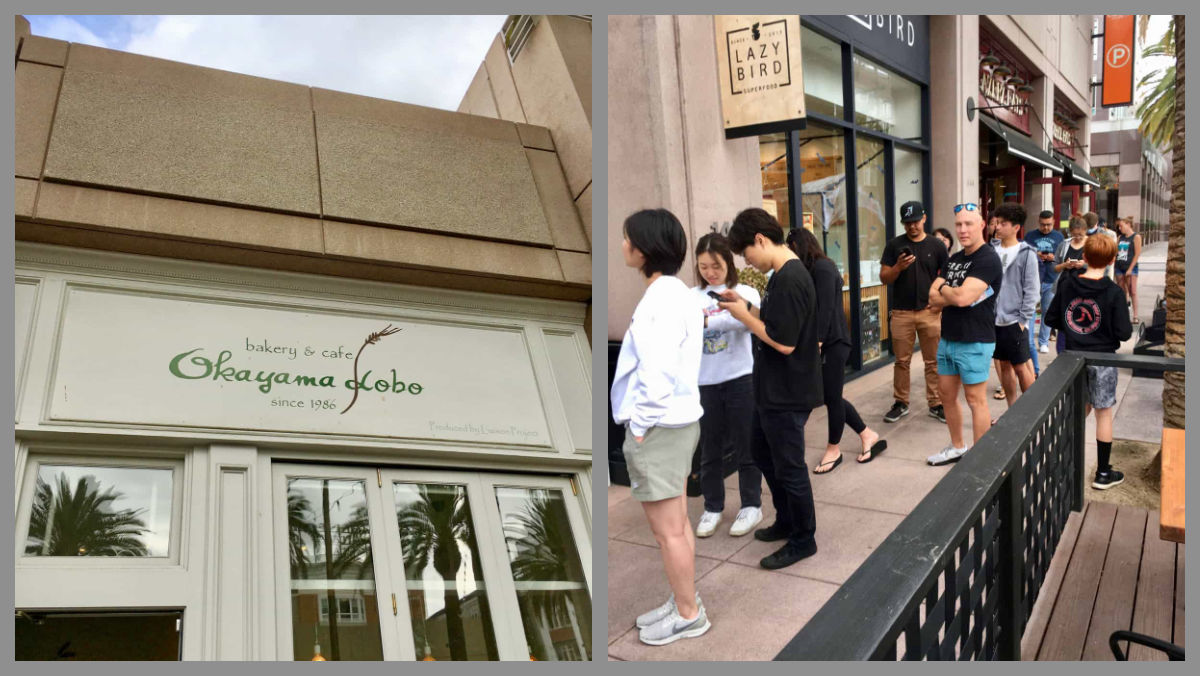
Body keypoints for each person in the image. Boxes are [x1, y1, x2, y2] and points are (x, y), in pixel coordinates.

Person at [611, 208, 709, 646]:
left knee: (668, 531)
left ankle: (689, 614)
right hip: (679, 423)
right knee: (679, 525)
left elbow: (656, 372)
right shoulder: (682, 295)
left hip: (659, 427)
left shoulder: (660, 300)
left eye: (627, 237)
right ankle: (685, 600)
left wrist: (639, 427)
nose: (623, 244)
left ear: (645, 247)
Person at [720, 208, 824, 570]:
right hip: (772, 390)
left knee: (790, 466)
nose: (748, 261)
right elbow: (776, 320)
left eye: (747, 253)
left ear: (761, 240)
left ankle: (803, 538)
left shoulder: (793, 277)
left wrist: (744, 318)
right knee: (763, 454)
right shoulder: (783, 275)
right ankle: (786, 520)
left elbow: (784, 342)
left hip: (788, 392)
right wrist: (746, 305)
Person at [786, 227, 886, 472]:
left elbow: (826, 309)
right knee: (832, 396)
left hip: (833, 343)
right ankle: (867, 434)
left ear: (801, 246)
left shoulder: (823, 268)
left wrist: (818, 343)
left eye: (792, 249)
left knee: (831, 398)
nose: (790, 254)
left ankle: (834, 449)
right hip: (823, 343)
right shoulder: (812, 269)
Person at [1044, 234, 1133, 490]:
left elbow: (1052, 319)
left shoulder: (1068, 285)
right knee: (1103, 413)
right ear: (1112, 259)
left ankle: (1061, 465)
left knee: (1076, 412)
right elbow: (1124, 333)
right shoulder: (1114, 292)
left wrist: (1074, 331)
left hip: (1073, 357)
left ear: (1084, 257)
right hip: (1103, 358)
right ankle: (1103, 473)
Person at [690, 233, 763, 539]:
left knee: (747, 445)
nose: (710, 272)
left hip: (740, 379)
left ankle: (751, 505)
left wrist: (706, 322)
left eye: (716, 265)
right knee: (709, 450)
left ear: (728, 263)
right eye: (704, 266)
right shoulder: (690, 296)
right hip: (705, 383)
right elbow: (682, 328)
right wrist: (718, 319)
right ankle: (713, 507)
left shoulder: (743, 291)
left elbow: (746, 320)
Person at [925, 203, 1004, 466]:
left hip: (975, 340)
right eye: (959, 224)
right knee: (946, 396)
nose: (962, 229)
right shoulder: (955, 259)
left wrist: (948, 289)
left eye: (969, 223)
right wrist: (952, 292)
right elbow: (932, 297)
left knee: (975, 400)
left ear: (982, 225)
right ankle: (958, 447)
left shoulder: (987, 258)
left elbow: (960, 298)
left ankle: (979, 461)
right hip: (948, 339)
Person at [878, 200, 949, 424]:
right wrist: (898, 267)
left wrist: (938, 300)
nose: (912, 227)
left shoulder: (937, 246)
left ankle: (936, 403)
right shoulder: (894, 245)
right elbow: (884, 278)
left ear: (924, 218)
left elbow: (947, 275)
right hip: (901, 313)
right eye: (907, 223)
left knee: (933, 361)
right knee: (901, 361)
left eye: (916, 221)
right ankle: (901, 402)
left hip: (929, 312)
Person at [990, 203, 1039, 407]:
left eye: (1003, 223)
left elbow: (1032, 290)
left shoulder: (1026, 253)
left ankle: (1029, 412)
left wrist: (1022, 320)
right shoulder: (991, 250)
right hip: (994, 319)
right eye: (997, 223)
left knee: (1021, 367)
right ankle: (1012, 409)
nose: (998, 227)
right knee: (1004, 365)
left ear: (1016, 227)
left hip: (1014, 320)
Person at [1024, 210, 1065, 360]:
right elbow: (1024, 254)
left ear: (1053, 222)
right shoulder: (1030, 236)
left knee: (1047, 311)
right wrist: (1036, 255)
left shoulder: (1059, 236)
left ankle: (1043, 341)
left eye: (1048, 225)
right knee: (1031, 310)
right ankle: (1028, 342)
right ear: (1038, 223)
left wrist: (1053, 257)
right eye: (1043, 225)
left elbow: (1062, 259)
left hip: (1051, 278)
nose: (1046, 228)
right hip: (1033, 278)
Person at [1052, 215, 1089, 354]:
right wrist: (1065, 265)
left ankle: (1078, 352)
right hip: (1065, 289)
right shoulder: (1064, 244)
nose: (1078, 237)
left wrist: (1083, 265)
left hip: (1084, 290)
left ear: (1085, 230)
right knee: (1063, 322)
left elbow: (1100, 266)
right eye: (1075, 235)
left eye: (1080, 234)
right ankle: (1061, 353)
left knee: (1081, 322)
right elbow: (1054, 267)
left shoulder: (1091, 244)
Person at [1114, 216, 1143, 324]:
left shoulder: (1136, 237)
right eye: (1119, 226)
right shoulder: (1120, 237)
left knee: (1133, 291)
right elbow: (1115, 252)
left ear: (1128, 224)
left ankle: (1135, 316)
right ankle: (1124, 314)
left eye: (1121, 226)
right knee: (1122, 292)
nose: (1120, 228)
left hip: (1131, 267)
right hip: (1119, 267)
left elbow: (1137, 254)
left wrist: (1130, 269)